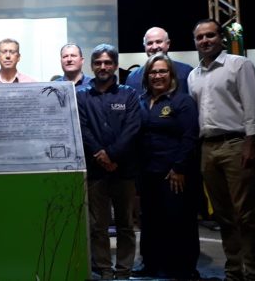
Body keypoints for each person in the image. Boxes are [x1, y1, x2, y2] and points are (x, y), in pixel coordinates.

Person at [188, 19, 255, 281]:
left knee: (245, 215)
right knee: (223, 215)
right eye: (200, 37)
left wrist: (250, 141)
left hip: (236, 145)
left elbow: (253, 104)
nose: (205, 41)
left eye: (210, 35)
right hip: (207, 149)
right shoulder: (193, 75)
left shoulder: (238, 65)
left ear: (220, 37)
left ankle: (253, 272)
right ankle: (234, 271)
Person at [76, 43, 141, 280]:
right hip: (95, 171)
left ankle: (123, 270)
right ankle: (103, 268)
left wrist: (112, 155)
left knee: (125, 224)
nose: (103, 67)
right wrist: (101, 155)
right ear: (92, 66)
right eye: (98, 63)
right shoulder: (81, 95)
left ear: (114, 65)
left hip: (124, 170)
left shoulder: (129, 94)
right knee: (98, 226)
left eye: (107, 62)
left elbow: (132, 128)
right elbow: (82, 129)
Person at [133, 53, 201, 279]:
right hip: (147, 173)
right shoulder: (140, 101)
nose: (157, 76)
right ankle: (151, 265)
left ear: (171, 75)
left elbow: (189, 136)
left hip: (173, 173)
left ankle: (183, 268)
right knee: (151, 221)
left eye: (162, 71)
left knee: (179, 221)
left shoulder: (182, 101)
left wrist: (179, 168)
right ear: (146, 76)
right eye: (153, 72)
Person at [125, 27, 194, 95]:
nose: (154, 47)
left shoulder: (187, 73)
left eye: (158, 42)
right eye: (150, 43)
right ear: (144, 46)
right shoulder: (132, 78)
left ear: (168, 44)